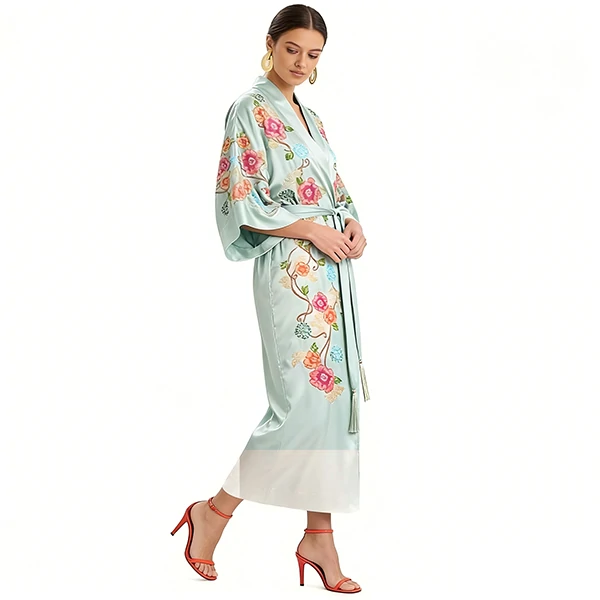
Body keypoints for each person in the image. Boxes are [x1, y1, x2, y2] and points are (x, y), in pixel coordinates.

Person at [171, 4, 370, 593]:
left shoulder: (312, 116)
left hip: (332, 271)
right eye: (292, 50)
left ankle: (320, 535)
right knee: (299, 406)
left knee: (332, 404)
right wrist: (310, 228)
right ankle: (213, 512)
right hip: (291, 270)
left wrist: (353, 222)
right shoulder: (249, 108)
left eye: (313, 55)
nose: (302, 63)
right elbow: (241, 196)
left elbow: (335, 188)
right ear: (271, 43)